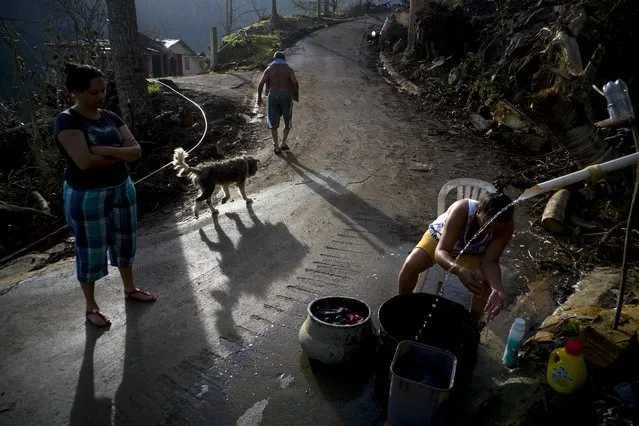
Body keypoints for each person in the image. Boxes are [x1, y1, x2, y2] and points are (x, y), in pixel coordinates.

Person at [55, 63, 156, 328]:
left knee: (125, 241)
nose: (100, 97)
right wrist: (116, 152)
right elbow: (84, 162)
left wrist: (103, 150)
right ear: (76, 92)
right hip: (87, 195)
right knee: (90, 249)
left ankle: (130, 289)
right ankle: (91, 306)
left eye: (103, 90)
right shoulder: (68, 121)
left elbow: (136, 151)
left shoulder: (110, 116)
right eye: (94, 92)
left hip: (122, 187)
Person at [397, 192, 515, 321]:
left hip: (472, 251)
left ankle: (472, 323)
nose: (490, 231)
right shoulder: (462, 210)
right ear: (479, 210)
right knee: (410, 266)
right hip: (439, 240)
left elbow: (490, 262)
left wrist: (497, 289)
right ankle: (403, 305)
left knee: (483, 283)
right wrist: (459, 270)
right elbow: (441, 252)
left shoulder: (506, 226)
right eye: (487, 223)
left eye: (497, 228)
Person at [257, 51, 299, 154]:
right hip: (286, 95)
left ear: (274, 59)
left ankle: (276, 146)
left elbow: (261, 83)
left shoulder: (269, 69)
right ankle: (283, 142)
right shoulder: (288, 69)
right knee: (287, 120)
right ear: (284, 59)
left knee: (272, 121)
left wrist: (259, 97)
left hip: (273, 96)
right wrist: (295, 95)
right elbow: (295, 82)